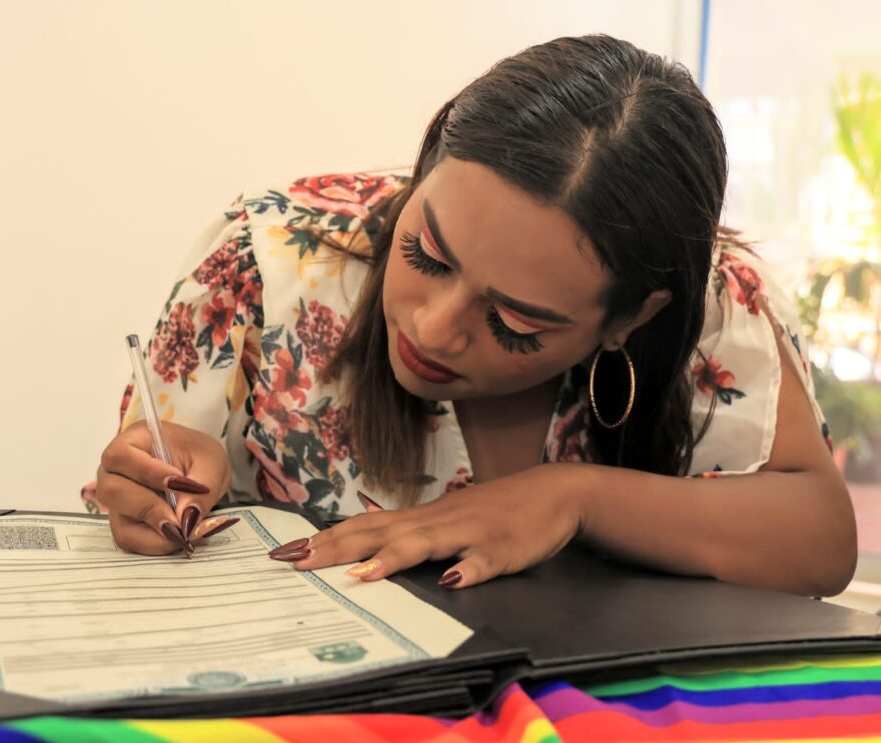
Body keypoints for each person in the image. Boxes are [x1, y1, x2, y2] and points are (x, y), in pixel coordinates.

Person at [88, 34, 857, 597]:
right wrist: (158, 488)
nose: (432, 328)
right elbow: (151, 490)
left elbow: (818, 541)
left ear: (630, 318)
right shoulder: (271, 255)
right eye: (425, 254)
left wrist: (570, 497)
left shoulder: (716, 305)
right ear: (428, 167)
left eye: (517, 322)